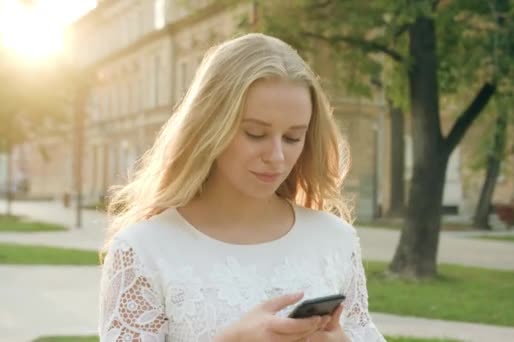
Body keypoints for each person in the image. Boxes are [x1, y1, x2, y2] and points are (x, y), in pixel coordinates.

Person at [98, 33, 386, 342]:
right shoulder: (143, 250)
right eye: (255, 133)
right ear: (210, 125)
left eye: (292, 138)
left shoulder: (335, 240)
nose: (276, 156)